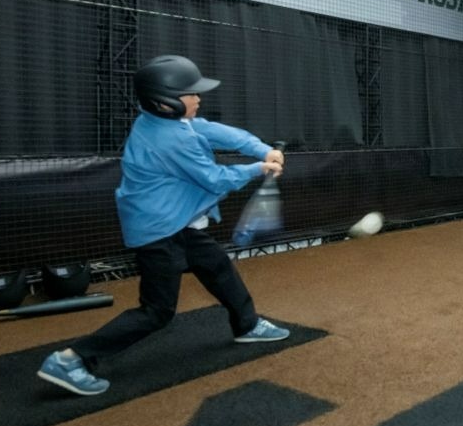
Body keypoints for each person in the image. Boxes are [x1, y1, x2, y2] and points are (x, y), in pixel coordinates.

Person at [38, 54, 290, 396]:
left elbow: (213, 130)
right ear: (165, 101)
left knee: (217, 266)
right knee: (156, 312)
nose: (198, 98)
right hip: (158, 233)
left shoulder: (161, 121)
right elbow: (215, 179)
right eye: (191, 94)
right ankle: (71, 360)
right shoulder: (170, 139)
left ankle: (247, 325)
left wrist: (261, 149)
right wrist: (258, 168)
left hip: (177, 223)